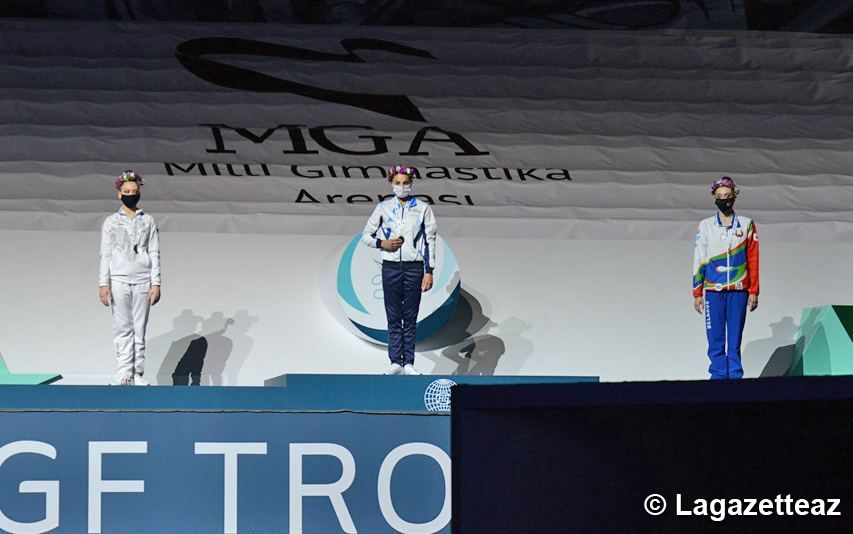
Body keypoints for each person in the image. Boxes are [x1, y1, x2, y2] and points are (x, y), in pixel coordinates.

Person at [361, 166, 437, 375]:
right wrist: (381, 243)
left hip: (414, 268)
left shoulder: (422, 208)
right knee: (393, 316)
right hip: (391, 267)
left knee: (410, 316)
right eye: (397, 183)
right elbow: (366, 235)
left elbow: (429, 240)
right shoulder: (383, 207)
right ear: (391, 184)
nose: (401, 187)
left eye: (405, 183)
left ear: (411, 183)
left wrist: (429, 270)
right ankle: (395, 362)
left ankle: (409, 363)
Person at [98, 170, 161, 385]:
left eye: (134, 191)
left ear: (140, 192)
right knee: (122, 327)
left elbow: (154, 252)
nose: (130, 194)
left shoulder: (149, 221)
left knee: (139, 328)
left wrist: (156, 282)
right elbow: (105, 254)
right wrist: (103, 283)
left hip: (143, 279)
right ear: (119, 194)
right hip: (118, 279)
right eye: (126, 191)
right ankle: (123, 373)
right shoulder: (110, 222)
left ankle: (137, 374)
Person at [693, 176, 759, 379]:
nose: (724, 200)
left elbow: (753, 259)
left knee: (735, 338)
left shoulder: (747, 225)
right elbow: (699, 258)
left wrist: (753, 291)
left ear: (734, 197)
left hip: (738, 291)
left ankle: (736, 378)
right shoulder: (705, 226)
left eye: (728, 196)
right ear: (714, 197)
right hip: (713, 291)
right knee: (715, 339)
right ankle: (718, 378)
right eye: (720, 196)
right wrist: (697, 292)